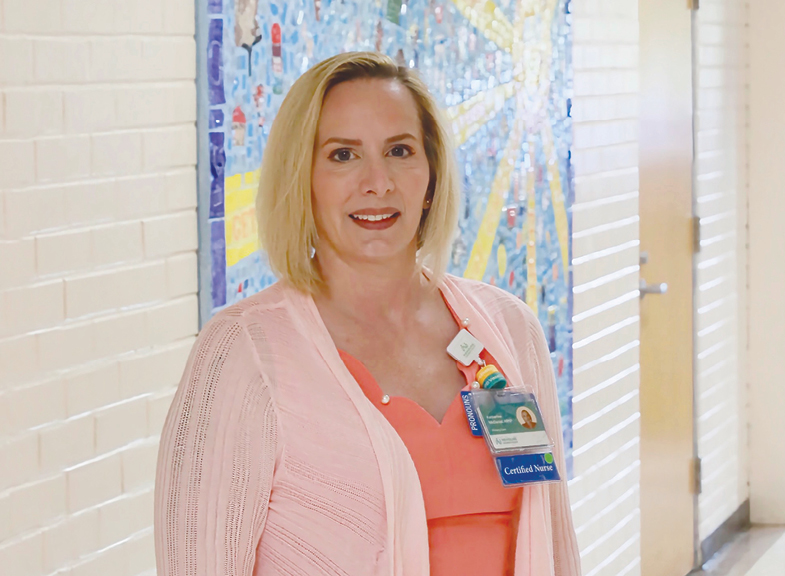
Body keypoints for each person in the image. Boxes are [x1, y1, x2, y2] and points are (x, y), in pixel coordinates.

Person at [154, 52, 580, 576]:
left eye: (399, 150)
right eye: (342, 155)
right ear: (302, 179)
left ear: (431, 174)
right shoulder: (245, 352)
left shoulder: (510, 329)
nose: (378, 182)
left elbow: (553, 541)